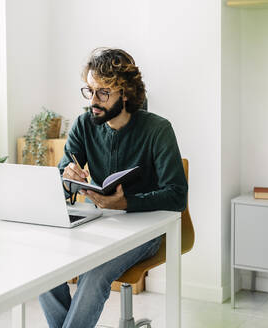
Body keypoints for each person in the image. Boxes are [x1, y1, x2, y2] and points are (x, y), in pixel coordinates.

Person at [39, 47, 188, 328]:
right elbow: (62, 178)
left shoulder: (157, 129)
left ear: (126, 93)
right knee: (44, 266)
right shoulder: (84, 125)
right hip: (97, 223)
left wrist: (126, 203)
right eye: (89, 90)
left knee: (93, 275)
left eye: (102, 92)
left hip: (144, 230)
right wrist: (67, 175)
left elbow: (177, 195)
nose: (93, 101)